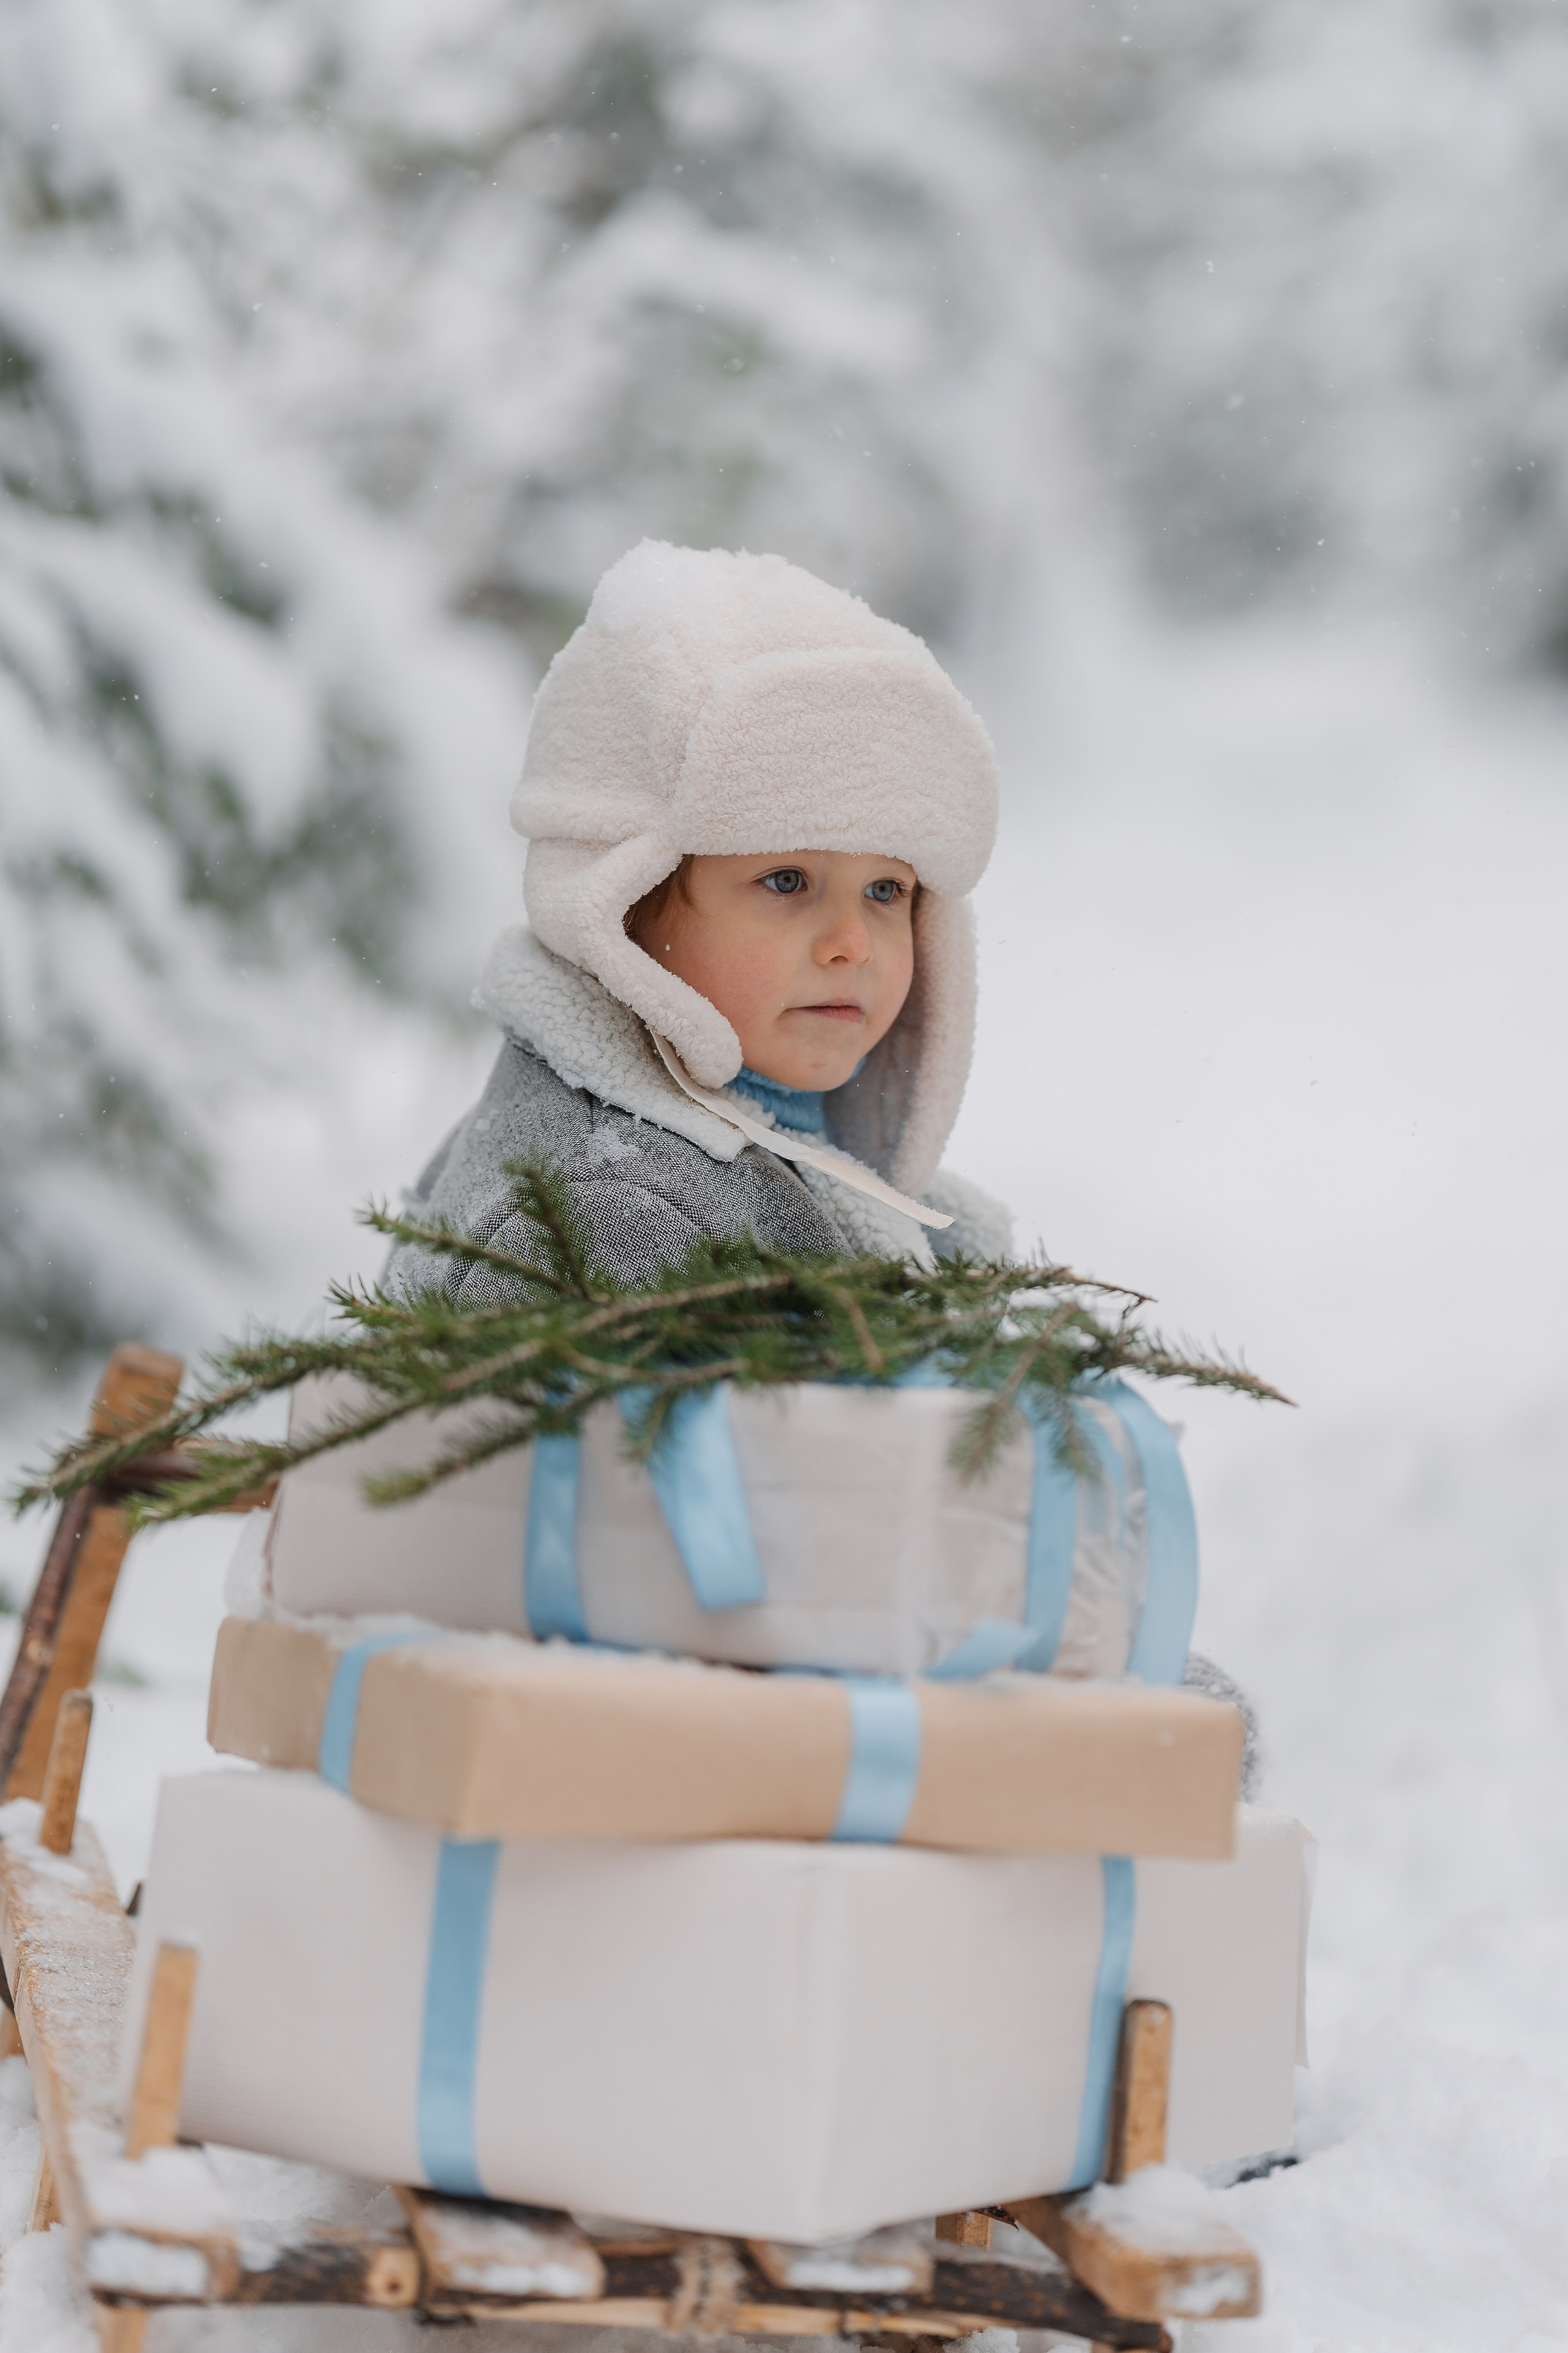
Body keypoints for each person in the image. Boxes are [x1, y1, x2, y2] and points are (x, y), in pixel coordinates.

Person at [387, 538, 1259, 1784]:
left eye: (890, 891)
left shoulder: (783, 1166)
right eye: (785, 880)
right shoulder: (610, 1209)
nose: (852, 942)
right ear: (626, 908)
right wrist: (1088, 1702)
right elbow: (701, 1589)